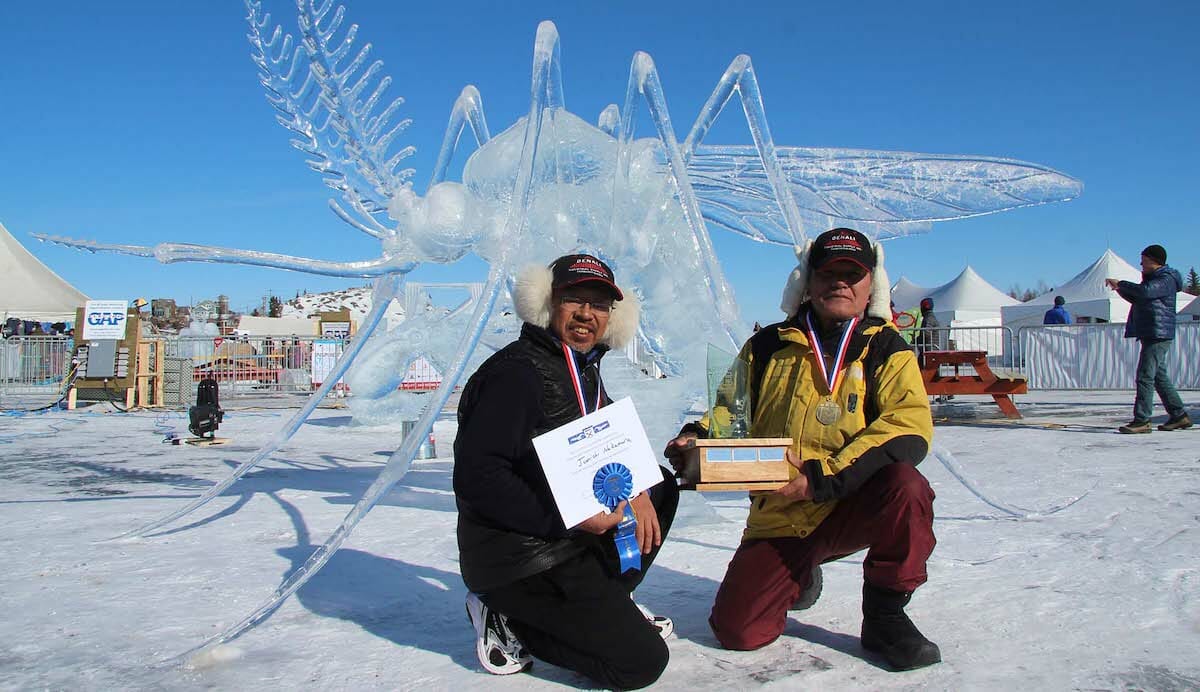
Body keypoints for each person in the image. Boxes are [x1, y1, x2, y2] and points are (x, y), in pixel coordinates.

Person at [664, 228, 940, 671]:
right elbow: (731, 413)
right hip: (782, 513)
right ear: (807, 281)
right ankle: (801, 573)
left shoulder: (886, 347)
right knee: (740, 631)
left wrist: (820, 478)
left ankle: (886, 616)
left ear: (871, 284)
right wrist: (697, 438)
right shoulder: (767, 346)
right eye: (829, 273)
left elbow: (908, 428)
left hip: (849, 501)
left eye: (853, 274)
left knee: (906, 486)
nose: (840, 283)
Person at [454, 253, 679, 688]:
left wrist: (638, 489)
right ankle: (507, 617)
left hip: (569, 539)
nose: (585, 314)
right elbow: (476, 478)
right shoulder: (516, 374)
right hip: (522, 555)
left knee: (658, 485)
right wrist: (567, 516)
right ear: (546, 302)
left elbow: (610, 445)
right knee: (641, 664)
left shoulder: (583, 367)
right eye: (573, 299)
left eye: (598, 305)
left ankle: (609, 604)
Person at [1105, 244, 1192, 433]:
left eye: (1144, 261)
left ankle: (1142, 420)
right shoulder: (1154, 279)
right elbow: (1140, 297)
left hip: (1158, 333)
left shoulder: (1165, 279)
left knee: (1145, 376)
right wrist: (1119, 288)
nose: (1141, 264)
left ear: (1155, 261)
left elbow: (1145, 292)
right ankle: (1179, 415)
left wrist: (1121, 283)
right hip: (1152, 331)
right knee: (1158, 376)